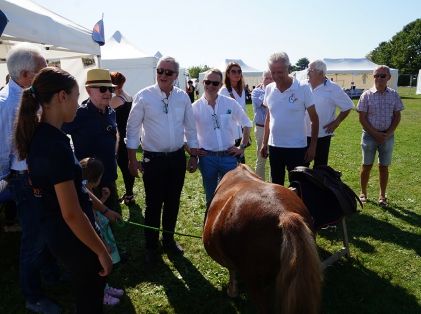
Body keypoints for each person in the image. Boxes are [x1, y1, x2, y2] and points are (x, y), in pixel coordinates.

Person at [14, 67, 112, 313]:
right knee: (89, 299)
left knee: (85, 294)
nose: (78, 105)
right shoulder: (54, 144)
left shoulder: (42, 136)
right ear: (61, 97)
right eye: (77, 97)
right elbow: (71, 212)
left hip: (59, 233)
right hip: (73, 236)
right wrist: (101, 250)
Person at [0, 43, 62, 313]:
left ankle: (50, 275)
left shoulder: (29, 96)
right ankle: (33, 295)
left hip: (37, 176)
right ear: (26, 75)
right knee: (33, 239)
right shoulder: (6, 104)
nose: (47, 72)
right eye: (42, 69)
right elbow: (2, 150)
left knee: (46, 230)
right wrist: (6, 179)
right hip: (23, 179)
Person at [126, 56, 199, 263]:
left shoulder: (183, 97)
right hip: (153, 159)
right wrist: (132, 160)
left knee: (173, 201)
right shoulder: (144, 96)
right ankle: (151, 246)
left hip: (176, 158)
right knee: (153, 204)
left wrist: (193, 155)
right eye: (160, 71)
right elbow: (132, 131)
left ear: (176, 75)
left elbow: (190, 129)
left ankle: (168, 240)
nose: (163, 75)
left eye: (168, 72)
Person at [192, 68, 252, 208]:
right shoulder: (194, 107)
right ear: (202, 82)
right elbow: (186, 133)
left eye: (215, 83)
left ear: (220, 85)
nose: (211, 86)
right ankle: (211, 227)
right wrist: (192, 152)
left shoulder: (230, 103)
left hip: (229, 157)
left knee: (234, 196)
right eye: (208, 82)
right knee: (211, 198)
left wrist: (242, 147)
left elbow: (247, 123)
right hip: (207, 159)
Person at [63, 68, 120, 212]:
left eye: (110, 89)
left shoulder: (111, 112)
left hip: (109, 177)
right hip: (88, 182)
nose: (107, 93)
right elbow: (57, 132)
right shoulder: (80, 113)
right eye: (102, 89)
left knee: (111, 220)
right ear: (89, 91)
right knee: (93, 222)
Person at [261, 52, 319, 186]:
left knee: (299, 185)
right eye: (273, 72)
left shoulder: (302, 88)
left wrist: (313, 146)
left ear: (289, 69)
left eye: (280, 72)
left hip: (297, 147)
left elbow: (314, 119)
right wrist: (264, 142)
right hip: (275, 146)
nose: (276, 76)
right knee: (276, 186)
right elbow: (269, 117)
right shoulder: (269, 89)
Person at [356, 65, 404, 207]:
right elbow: (362, 118)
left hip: (387, 136)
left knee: (384, 167)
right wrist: (375, 133)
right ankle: (363, 193)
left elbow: (397, 116)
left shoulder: (394, 95)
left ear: (388, 78)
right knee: (366, 165)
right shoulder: (366, 95)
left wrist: (387, 133)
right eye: (376, 75)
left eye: (382, 76)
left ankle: (382, 196)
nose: (379, 78)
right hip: (369, 136)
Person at [80, 157, 124, 306]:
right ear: (97, 179)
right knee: (98, 267)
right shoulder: (84, 195)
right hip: (96, 238)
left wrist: (103, 199)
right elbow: (93, 221)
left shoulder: (85, 192)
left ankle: (105, 288)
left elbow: (96, 208)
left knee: (101, 266)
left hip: (98, 235)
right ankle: (100, 295)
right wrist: (104, 244)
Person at [305, 59, 354, 167]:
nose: (307, 72)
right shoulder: (304, 86)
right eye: (308, 69)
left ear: (321, 73)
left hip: (322, 135)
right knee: (302, 168)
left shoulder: (333, 88)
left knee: (320, 169)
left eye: (310, 70)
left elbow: (348, 105)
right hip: (302, 135)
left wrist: (337, 122)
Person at [110, 71, 135, 206]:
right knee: (127, 165)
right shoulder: (128, 97)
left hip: (120, 136)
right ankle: (129, 193)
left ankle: (129, 195)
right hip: (128, 134)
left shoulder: (115, 100)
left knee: (124, 167)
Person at [219, 62, 247, 163]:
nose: (237, 74)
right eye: (233, 71)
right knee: (231, 165)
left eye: (239, 71)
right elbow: (222, 114)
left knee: (241, 164)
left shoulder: (242, 89)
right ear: (228, 74)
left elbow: (243, 110)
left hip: (241, 131)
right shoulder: (224, 91)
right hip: (229, 133)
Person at [251, 70, 273, 180]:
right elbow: (267, 104)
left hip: (274, 129)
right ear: (262, 79)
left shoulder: (277, 90)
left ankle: (273, 185)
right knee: (261, 158)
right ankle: (260, 185)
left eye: (271, 78)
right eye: (266, 78)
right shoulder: (256, 92)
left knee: (274, 159)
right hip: (261, 128)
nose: (269, 80)